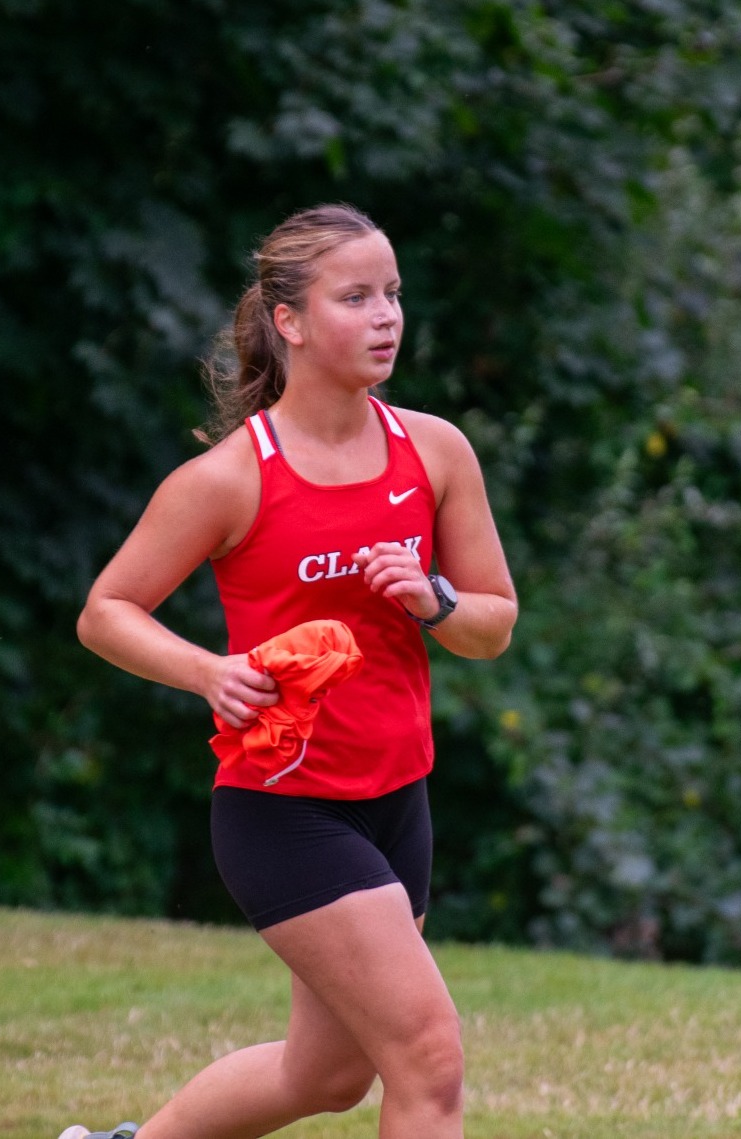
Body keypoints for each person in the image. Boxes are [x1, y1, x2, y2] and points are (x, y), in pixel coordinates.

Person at [65, 203, 518, 1139]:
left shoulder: (434, 451)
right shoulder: (232, 477)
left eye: (392, 293)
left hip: (398, 798)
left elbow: (494, 625)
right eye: (355, 297)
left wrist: (433, 598)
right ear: (290, 321)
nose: (386, 316)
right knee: (428, 1058)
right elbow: (105, 611)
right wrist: (207, 672)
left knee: (326, 1074)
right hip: (284, 807)